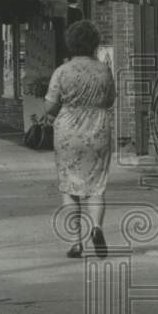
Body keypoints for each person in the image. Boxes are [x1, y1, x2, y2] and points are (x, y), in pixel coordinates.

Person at [44, 20, 115, 258]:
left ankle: (76, 243)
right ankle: (96, 228)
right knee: (96, 186)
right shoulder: (104, 70)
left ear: (70, 43)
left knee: (69, 187)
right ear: (94, 44)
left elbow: (50, 107)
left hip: (68, 133)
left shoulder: (62, 72)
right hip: (98, 130)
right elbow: (110, 100)